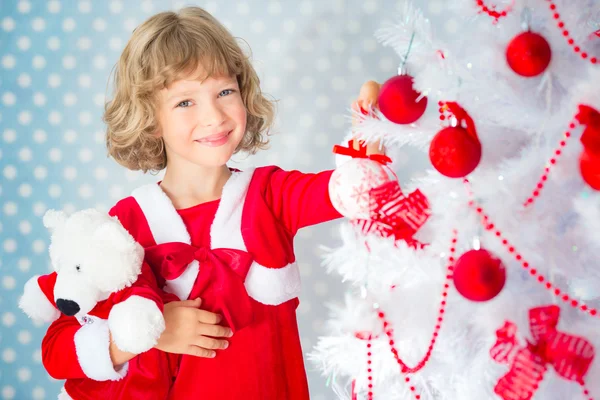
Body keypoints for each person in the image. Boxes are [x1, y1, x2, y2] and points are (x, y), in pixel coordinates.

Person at [41, 6, 385, 399]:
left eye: (224, 92)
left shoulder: (271, 194)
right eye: (185, 102)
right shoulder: (121, 228)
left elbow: (345, 192)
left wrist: (363, 163)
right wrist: (146, 332)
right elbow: (57, 347)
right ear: (151, 119)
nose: (214, 116)